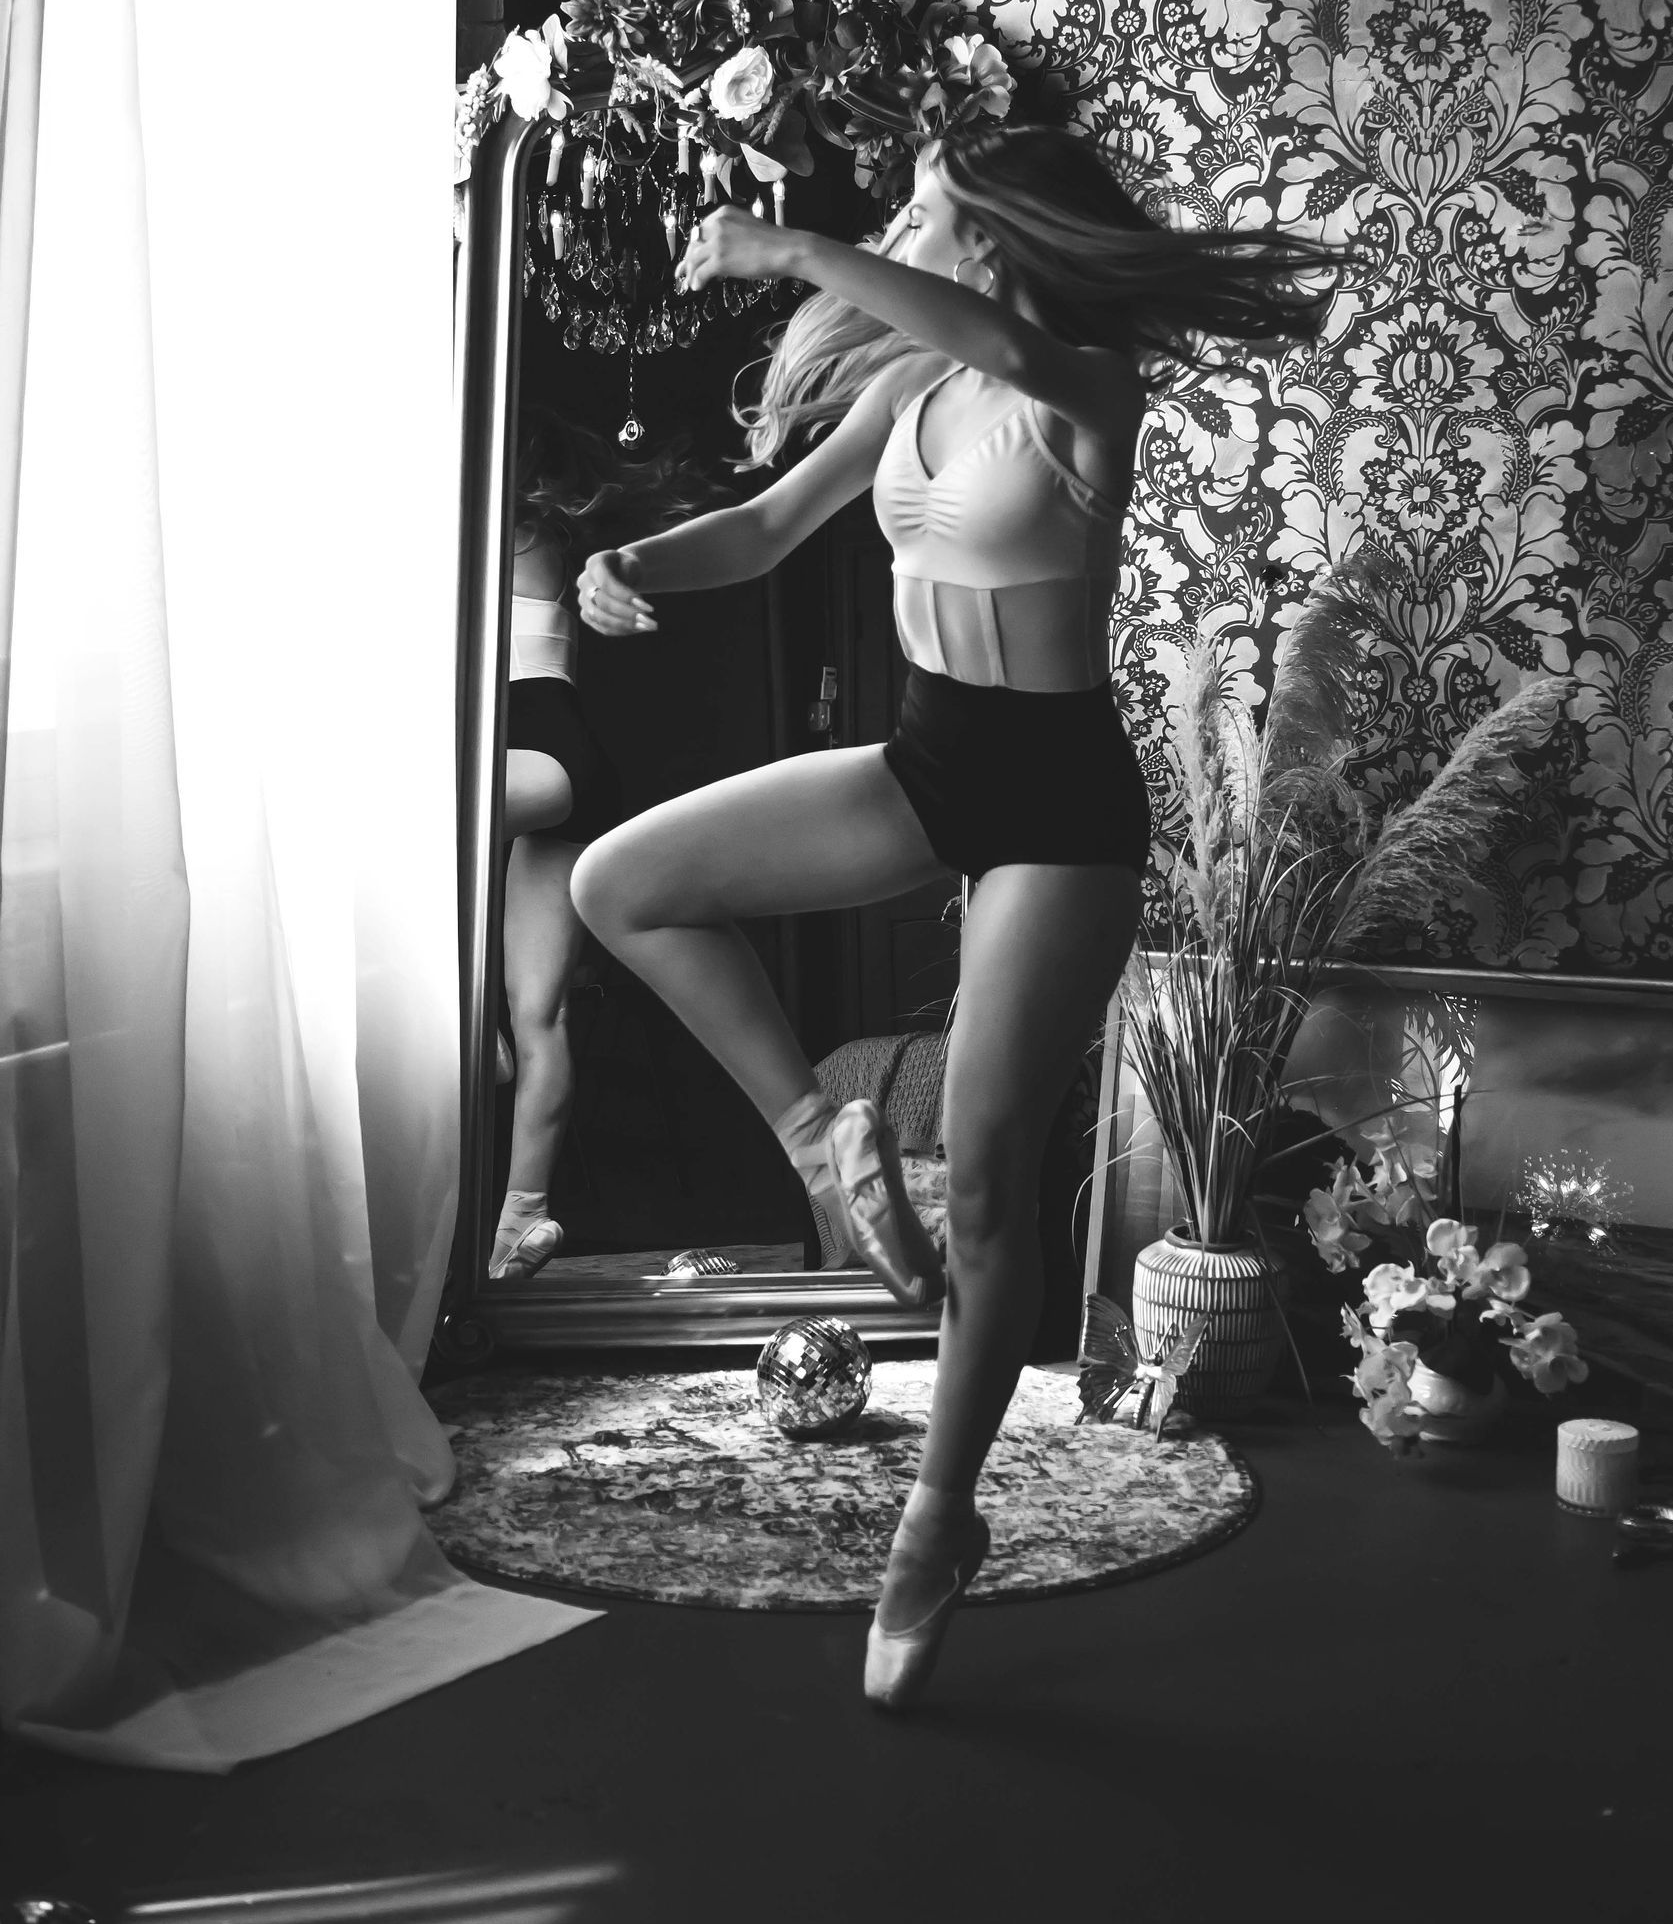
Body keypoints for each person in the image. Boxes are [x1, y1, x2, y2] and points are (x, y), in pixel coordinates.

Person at [571, 124, 1329, 1704]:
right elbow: (768, 526)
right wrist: (628, 562)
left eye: (922, 207)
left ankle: (939, 1518)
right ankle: (819, 1137)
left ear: (989, 233)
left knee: (986, 1187)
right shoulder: (912, 387)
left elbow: (1003, 341)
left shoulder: (1084, 385)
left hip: (1056, 808)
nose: (897, 227)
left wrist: (790, 248)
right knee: (622, 882)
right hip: (926, 762)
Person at [491, 405, 696, 1281]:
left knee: (394, 829)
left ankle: (472, 1026)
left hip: (531, 748)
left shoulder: (507, 528)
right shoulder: (546, 534)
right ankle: (521, 1219)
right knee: (542, 1014)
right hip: (566, 757)